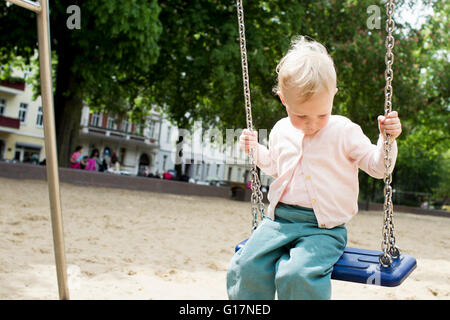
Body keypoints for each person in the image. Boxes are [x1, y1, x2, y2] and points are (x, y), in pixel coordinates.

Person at [227, 36, 402, 300]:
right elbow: (276, 166)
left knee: (295, 274)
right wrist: (256, 151)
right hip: (277, 222)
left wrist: (387, 140)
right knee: (243, 266)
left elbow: (379, 168)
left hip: (324, 230)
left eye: (321, 115)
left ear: (333, 95)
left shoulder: (344, 131)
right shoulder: (280, 130)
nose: (311, 124)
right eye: (301, 116)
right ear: (283, 99)